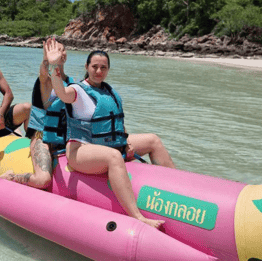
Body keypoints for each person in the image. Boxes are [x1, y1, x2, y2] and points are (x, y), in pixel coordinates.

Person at [46, 42, 175, 229]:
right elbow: (61, 92)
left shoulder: (107, 91)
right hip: (80, 150)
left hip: (108, 144)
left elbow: (115, 123)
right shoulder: (78, 91)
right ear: (86, 67)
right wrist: (55, 66)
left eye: (103, 67)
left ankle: (177, 191)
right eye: (94, 67)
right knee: (113, 157)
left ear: (108, 69)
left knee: (152, 140)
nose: (99, 71)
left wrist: (124, 141)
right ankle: (137, 216)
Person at [0, 37, 74, 188]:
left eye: (62, 50)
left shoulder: (73, 84)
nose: (60, 53)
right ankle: (12, 177)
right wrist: (47, 59)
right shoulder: (46, 80)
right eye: (55, 50)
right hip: (42, 137)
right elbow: (45, 70)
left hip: (65, 139)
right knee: (43, 180)